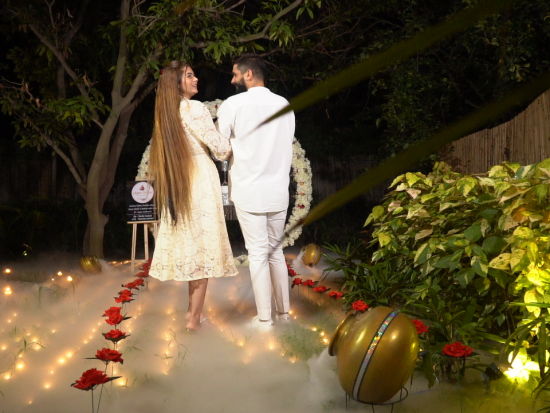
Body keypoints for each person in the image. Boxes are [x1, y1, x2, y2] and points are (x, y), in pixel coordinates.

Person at [147, 61, 238, 331]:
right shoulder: (194, 109)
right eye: (189, 75)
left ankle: (193, 314)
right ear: (177, 83)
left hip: (180, 180)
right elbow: (221, 149)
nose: (196, 78)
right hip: (200, 178)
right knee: (204, 249)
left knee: (193, 247)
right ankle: (193, 319)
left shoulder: (166, 113)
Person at [217, 55, 295, 329]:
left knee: (259, 253)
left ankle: (264, 319)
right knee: (275, 252)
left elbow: (219, 144)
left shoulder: (234, 104)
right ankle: (284, 315)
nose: (232, 80)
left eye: (235, 74)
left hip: (250, 189)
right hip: (277, 190)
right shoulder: (284, 104)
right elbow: (287, 143)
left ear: (249, 74)